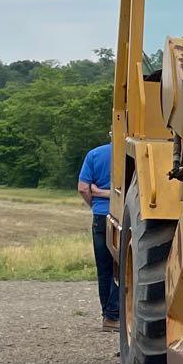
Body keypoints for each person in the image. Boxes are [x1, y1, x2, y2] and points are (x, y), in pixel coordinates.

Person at [78, 142, 119, 331]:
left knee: (104, 268)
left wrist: (97, 198)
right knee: (121, 267)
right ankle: (118, 314)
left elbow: (83, 188)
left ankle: (108, 317)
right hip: (123, 216)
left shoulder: (94, 154)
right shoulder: (131, 151)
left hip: (101, 216)